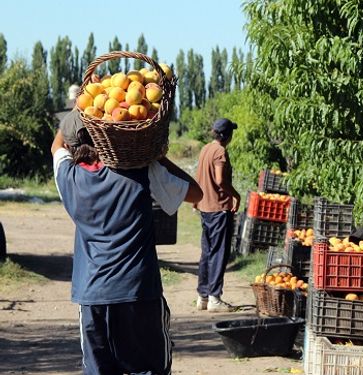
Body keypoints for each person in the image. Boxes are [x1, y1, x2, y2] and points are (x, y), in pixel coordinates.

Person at [51, 110, 203, 375]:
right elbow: (196, 193)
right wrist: (154, 155)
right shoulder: (142, 170)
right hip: (138, 294)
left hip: (92, 298)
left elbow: (57, 145)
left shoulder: (68, 177)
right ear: (109, 134)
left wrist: (80, 107)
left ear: (72, 144)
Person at [193, 118, 241, 312]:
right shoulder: (220, 151)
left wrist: (196, 200)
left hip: (205, 207)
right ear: (227, 135)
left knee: (207, 252)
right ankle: (214, 298)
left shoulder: (206, 149)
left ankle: (202, 297)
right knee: (219, 253)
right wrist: (236, 195)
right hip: (219, 208)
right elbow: (220, 180)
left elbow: (199, 176)